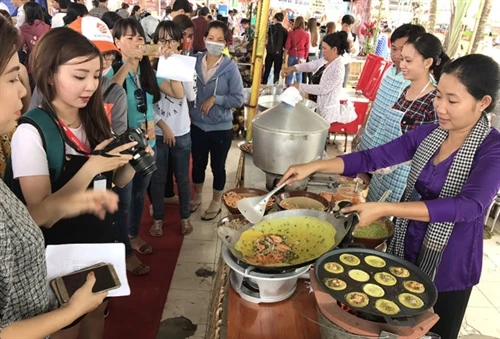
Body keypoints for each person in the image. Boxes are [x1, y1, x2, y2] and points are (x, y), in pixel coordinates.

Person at [279, 53, 500, 339]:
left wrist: (384, 208)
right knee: (393, 321)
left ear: (482, 103)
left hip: (449, 263)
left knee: (433, 332)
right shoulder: (432, 134)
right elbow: (375, 157)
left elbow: (470, 206)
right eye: (438, 96)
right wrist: (315, 165)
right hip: (406, 245)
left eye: (452, 100)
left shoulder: (492, 148)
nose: (441, 108)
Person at [8, 27, 137, 339]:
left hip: (98, 243)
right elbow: (40, 213)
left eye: (96, 75)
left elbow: (114, 181)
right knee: (69, 324)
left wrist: (130, 163)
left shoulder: (92, 117)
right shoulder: (32, 131)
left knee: (96, 313)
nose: (92, 85)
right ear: (50, 75)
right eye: (80, 76)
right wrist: (91, 166)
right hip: (60, 255)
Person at [109, 17, 183, 275]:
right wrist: (126, 64)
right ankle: (125, 251)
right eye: (129, 38)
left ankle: (132, 235)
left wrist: (168, 59)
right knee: (124, 201)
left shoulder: (147, 71)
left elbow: (175, 95)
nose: (137, 41)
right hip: (124, 150)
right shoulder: (112, 72)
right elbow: (106, 97)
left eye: (140, 37)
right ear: (117, 42)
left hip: (148, 145)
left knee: (140, 195)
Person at [359, 33, 447, 204]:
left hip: (407, 180)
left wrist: (396, 163)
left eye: (408, 60)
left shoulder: (433, 101)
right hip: (383, 171)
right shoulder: (404, 90)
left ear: (427, 62)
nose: (402, 64)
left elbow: (434, 150)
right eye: (402, 59)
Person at [353, 24, 425, 203]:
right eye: (394, 48)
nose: (397, 54)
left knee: (385, 204)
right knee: (364, 191)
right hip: (372, 140)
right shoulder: (388, 70)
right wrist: (362, 130)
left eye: (403, 50)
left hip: (396, 158)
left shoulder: (419, 82)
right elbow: (376, 103)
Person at [30, 16, 128, 136]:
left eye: (109, 54)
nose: (102, 61)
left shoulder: (115, 93)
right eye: (80, 76)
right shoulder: (31, 131)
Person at [189, 20, 244, 220]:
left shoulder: (230, 68)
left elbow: (238, 98)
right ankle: (197, 197)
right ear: (204, 39)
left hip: (221, 128)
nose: (214, 43)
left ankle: (215, 202)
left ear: (225, 44)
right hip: (196, 125)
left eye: (220, 40)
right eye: (211, 38)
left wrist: (216, 99)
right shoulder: (193, 62)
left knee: (217, 166)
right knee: (197, 165)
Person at [150, 21, 195, 236]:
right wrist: (162, 125)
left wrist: (174, 68)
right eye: (162, 40)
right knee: (158, 178)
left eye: (171, 41)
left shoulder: (186, 65)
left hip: (182, 130)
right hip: (160, 132)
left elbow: (190, 96)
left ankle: (184, 217)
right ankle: (158, 218)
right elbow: (147, 103)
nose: (167, 45)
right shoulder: (149, 68)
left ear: (179, 43)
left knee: (182, 178)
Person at [281, 32, 348, 123]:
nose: (322, 51)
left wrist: (299, 86)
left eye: (325, 48)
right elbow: (310, 66)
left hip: (326, 111)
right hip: (315, 104)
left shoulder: (338, 67)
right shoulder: (325, 60)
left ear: (334, 49)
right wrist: (292, 68)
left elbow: (322, 89)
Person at [18, 1, 50, 88]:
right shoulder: (47, 27)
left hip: (30, 67)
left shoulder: (23, 29)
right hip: (45, 65)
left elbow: (20, 47)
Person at [262, 12, 288, 85]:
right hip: (279, 53)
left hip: (270, 52)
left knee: (267, 70)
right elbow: (285, 45)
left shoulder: (270, 28)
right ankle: (275, 85)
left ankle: (263, 84)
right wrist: (285, 57)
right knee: (276, 71)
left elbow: (266, 39)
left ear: (275, 19)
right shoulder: (285, 31)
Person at [284, 16, 309, 85]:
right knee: (299, 75)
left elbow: (287, 46)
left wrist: (284, 56)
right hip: (301, 57)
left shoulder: (291, 33)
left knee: (289, 74)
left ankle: (287, 88)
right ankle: (298, 91)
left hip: (292, 55)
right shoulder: (306, 35)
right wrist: (305, 58)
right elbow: (307, 48)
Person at [340, 14, 360, 87]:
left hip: (346, 64)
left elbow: (355, 52)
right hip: (335, 64)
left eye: (350, 26)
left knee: (343, 86)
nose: (348, 28)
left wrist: (351, 47)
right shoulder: (336, 35)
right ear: (341, 24)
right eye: (346, 26)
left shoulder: (353, 37)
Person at [302, 17, 320, 84]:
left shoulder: (307, 33)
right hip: (314, 54)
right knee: (311, 71)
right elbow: (318, 45)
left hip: (306, 53)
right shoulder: (317, 34)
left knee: (304, 71)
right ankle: (310, 84)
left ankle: (304, 85)